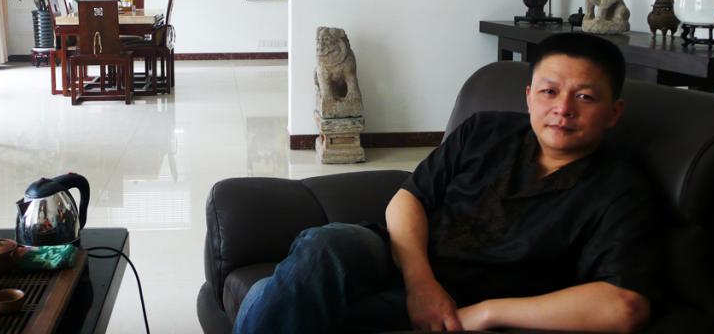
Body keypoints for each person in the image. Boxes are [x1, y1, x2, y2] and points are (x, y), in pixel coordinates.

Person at [234, 33, 661, 333]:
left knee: (276, 299)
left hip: (464, 303)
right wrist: (421, 284)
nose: (563, 109)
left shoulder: (619, 188)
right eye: (550, 92)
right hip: (403, 260)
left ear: (614, 112)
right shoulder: (485, 130)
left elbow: (623, 306)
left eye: (585, 97)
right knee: (322, 244)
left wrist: (488, 313)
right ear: (529, 96)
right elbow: (408, 198)